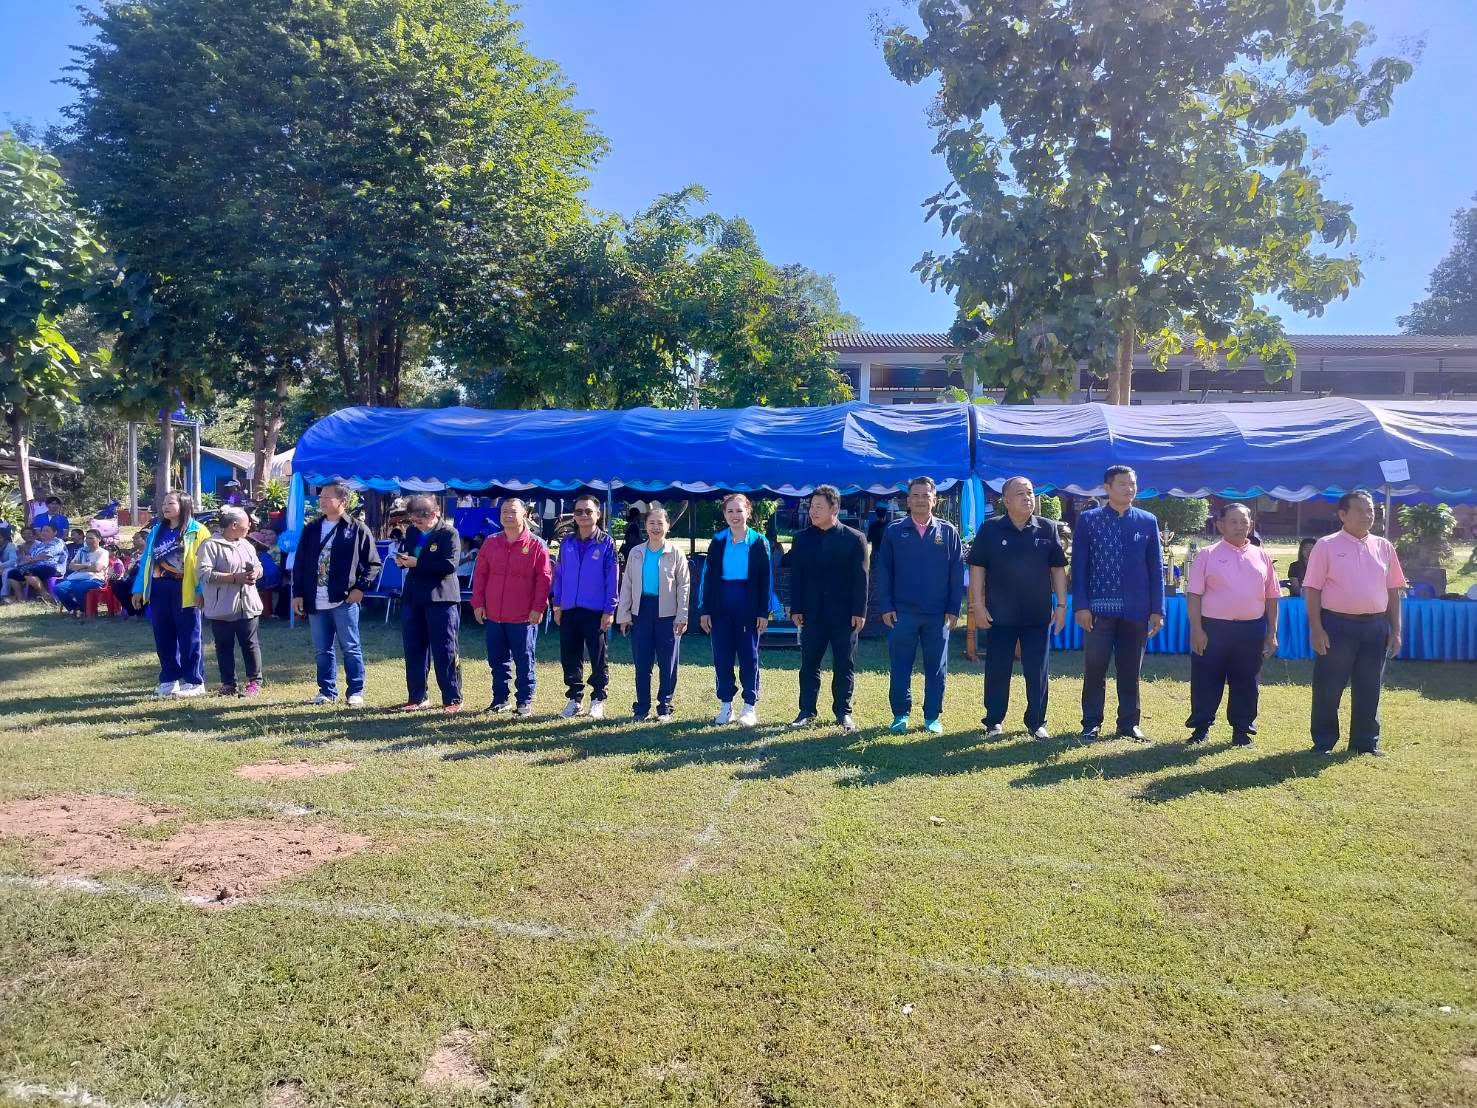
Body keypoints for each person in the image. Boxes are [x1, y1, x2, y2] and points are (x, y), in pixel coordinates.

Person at [1302, 490, 1406, 756]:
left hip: (1375, 627)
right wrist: (1317, 628)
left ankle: (1365, 742)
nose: (1367, 515)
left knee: (1369, 686)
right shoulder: (1326, 546)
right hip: (1337, 625)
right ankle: (1324, 742)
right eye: (1360, 510)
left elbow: (1393, 590)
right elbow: (1312, 589)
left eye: (1370, 510)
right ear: (1342, 514)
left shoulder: (1384, 546)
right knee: (1329, 686)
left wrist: (1396, 630)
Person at [968, 476, 1069, 740]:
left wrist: (1061, 605)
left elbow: (1058, 569)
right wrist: (977, 605)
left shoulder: (1047, 528)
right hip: (999, 614)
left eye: (1030, 492)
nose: (1027, 497)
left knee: (1037, 671)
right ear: (1006, 500)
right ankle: (994, 721)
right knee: (997, 669)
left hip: (1037, 614)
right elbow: (977, 568)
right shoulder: (990, 529)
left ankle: (1036, 722)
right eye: (1021, 493)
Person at [1071, 465, 1165, 741]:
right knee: (1095, 668)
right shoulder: (1089, 520)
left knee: (1130, 670)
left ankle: (1129, 723)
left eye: (1132, 483)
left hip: (1136, 611)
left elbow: (1156, 569)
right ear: (1107, 488)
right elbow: (1079, 567)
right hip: (1097, 611)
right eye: (1123, 483)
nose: (1129, 488)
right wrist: (1081, 605)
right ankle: (1091, 723)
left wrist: (1157, 609)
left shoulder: (1147, 521)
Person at [874, 476, 966, 735]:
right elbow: (884, 570)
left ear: (935, 500)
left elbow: (956, 572)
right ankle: (900, 714)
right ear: (908, 500)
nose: (920, 500)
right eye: (915, 495)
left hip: (937, 614)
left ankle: (932, 716)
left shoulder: (948, 532)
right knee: (900, 665)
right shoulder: (894, 531)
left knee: (936, 668)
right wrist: (886, 605)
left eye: (926, 495)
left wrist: (953, 608)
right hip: (902, 613)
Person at [1185, 503, 1280, 746]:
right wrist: (1197, 629)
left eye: (1244, 522)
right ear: (1221, 525)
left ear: (1251, 525)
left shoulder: (1262, 556)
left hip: (1251, 629)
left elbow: (1272, 597)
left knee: (1247, 681)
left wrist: (1272, 633)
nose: (1239, 526)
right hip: (1213, 628)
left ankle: (1242, 731)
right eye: (1233, 522)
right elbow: (1194, 594)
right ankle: (1201, 728)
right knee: (1207, 679)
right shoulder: (1207, 555)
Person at [787, 485, 868, 733]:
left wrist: (859, 611)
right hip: (812, 613)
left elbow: (861, 579)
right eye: (811, 506)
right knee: (809, 664)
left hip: (844, 615)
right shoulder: (802, 539)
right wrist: (796, 607)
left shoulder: (854, 539)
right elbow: (796, 577)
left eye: (819, 507)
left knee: (844, 664)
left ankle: (843, 712)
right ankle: (806, 711)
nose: (813, 511)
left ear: (835, 509)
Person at [293, 482, 381, 706]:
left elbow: (373, 563)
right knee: (322, 649)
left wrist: (360, 588)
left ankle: (356, 691)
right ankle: (327, 691)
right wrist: (298, 593)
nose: (321, 501)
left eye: (327, 497)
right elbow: (300, 563)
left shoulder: (357, 529)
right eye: (320, 497)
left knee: (350, 647)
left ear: (343, 501)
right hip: (315, 599)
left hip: (343, 599)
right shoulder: (312, 528)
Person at [696, 493, 772, 727]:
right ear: (724, 514)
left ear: (748, 512)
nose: (735, 515)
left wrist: (763, 612)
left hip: (748, 607)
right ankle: (726, 705)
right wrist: (705, 609)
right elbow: (707, 577)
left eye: (739, 510)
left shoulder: (759, 542)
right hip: (721, 607)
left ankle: (749, 706)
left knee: (749, 656)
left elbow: (766, 579)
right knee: (722, 656)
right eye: (730, 511)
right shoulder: (718, 541)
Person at [471, 498, 551, 716]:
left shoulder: (536, 545)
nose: (508, 515)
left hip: (523, 616)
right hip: (494, 615)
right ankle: (500, 699)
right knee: (497, 660)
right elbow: (480, 575)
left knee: (524, 661)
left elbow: (544, 579)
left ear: (524, 514)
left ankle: (524, 701)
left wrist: (538, 608)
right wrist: (478, 603)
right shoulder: (491, 542)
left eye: (513, 511)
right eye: (504, 511)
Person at [130, 492, 210, 697]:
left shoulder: (198, 530)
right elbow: (146, 561)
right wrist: (138, 588)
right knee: (163, 635)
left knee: (189, 636)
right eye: (164, 503)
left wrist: (201, 590)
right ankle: (169, 679)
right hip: (159, 589)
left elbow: (205, 564)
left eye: (171, 503)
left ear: (184, 505)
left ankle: (194, 681)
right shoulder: (157, 531)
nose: (165, 507)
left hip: (186, 589)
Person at [617, 506, 691, 722]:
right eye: (652, 523)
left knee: (668, 663)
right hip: (641, 611)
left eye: (660, 523)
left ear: (668, 526)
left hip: (668, 614)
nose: (656, 527)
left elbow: (684, 586)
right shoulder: (636, 552)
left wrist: (682, 615)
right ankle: (641, 708)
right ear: (645, 526)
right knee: (642, 662)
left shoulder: (675, 553)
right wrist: (624, 615)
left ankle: (665, 706)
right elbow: (627, 585)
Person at [551, 494, 618, 719]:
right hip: (569, 608)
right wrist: (557, 604)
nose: (583, 515)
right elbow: (559, 574)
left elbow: (612, 578)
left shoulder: (606, 542)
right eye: (578, 511)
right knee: (570, 655)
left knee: (598, 656)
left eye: (588, 511)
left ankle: (598, 698)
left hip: (595, 610)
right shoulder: (567, 542)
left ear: (598, 514)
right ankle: (574, 699)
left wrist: (609, 609)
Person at [395, 495, 463, 713]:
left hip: (441, 598)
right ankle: (417, 696)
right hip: (414, 597)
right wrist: (403, 560)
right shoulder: (413, 532)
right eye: (413, 521)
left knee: (445, 650)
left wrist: (418, 563)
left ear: (434, 514)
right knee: (414, 648)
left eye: (420, 521)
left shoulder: (449, 533)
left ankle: (452, 699)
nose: (416, 525)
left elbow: (449, 565)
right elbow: (410, 555)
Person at [198, 506, 265, 696]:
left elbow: (259, 566)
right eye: (247, 523)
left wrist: (256, 573)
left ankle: (254, 682)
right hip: (222, 606)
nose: (250, 526)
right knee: (224, 646)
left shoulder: (246, 544)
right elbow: (204, 573)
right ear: (234, 525)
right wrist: (235, 578)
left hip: (248, 604)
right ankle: (228, 683)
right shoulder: (210, 545)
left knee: (250, 644)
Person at [6, 523, 68, 605]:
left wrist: (32, 559)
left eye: (47, 531)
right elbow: (31, 556)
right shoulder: (40, 544)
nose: (44, 533)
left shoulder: (58, 542)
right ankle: (21, 599)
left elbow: (47, 555)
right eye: (43, 531)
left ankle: (46, 596)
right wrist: (28, 558)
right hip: (36, 567)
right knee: (12, 573)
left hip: (54, 567)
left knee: (29, 572)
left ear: (55, 532)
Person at [53, 528, 110, 615]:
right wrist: (87, 565)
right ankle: (74, 608)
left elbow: (97, 568)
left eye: (91, 538)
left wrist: (79, 567)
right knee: (59, 588)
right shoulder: (82, 551)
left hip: (95, 579)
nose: (88, 541)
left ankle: (85, 609)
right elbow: (71, 566)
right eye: (87, 538)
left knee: (79, 588)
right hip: (77, 577)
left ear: (99, 539)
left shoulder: (103, 552)